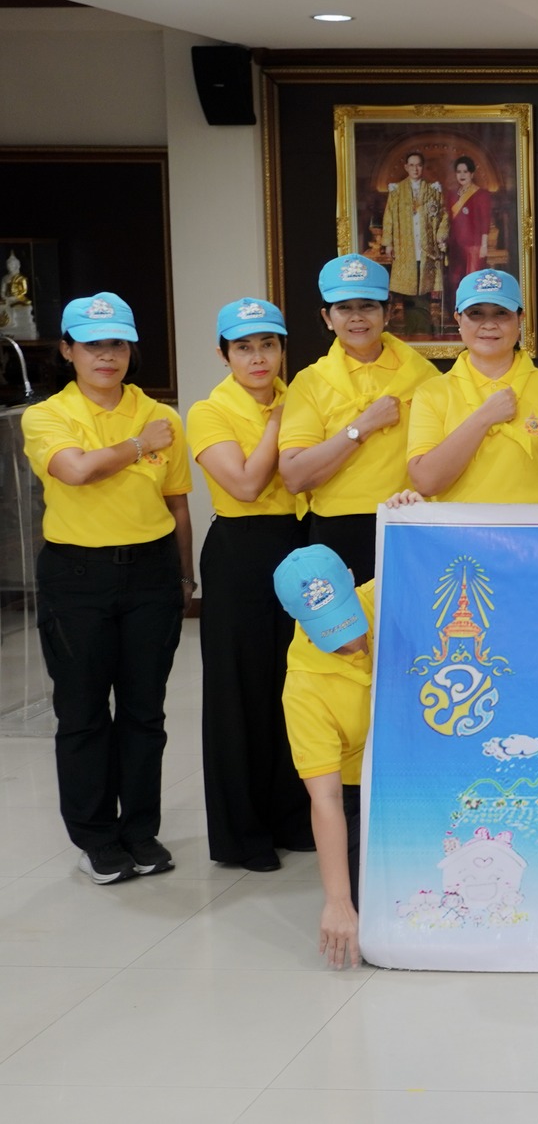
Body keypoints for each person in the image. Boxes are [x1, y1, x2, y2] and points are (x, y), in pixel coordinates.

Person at [22, 292, 195, 884]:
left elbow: (177, 502)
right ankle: (96, 839)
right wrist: (140, 445)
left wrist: (184, 573)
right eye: (93, 345)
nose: (107, 355)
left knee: (145, 712)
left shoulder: (162, 415)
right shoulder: (48, 415)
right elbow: (74, 470)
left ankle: (140, 832)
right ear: (67, 350)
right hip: (77, 578)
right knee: (84, 713)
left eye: (117, 343)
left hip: (151, 573)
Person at [188, 296, 311, 871]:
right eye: (243, 348)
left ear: (283, 349)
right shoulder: (209, 411)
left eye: (268, 345)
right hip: (240, 550)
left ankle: (292, 817)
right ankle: (242, 834)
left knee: (294, 684)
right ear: (224, 355)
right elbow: (244, 484)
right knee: (239, 693)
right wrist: (280, 424)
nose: (258, 358)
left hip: (298, 543)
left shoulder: (301, 396)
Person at [272, 512, 414, 971]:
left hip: (424, 764)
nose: (349, 640)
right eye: (328, 628)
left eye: (346, 617)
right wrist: (336, 901)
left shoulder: (383, 593)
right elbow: (327, 798)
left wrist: (414, 511)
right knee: (379, 914)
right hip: (362, 793)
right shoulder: (304, 689)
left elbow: (436, 554)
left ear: (354, 579)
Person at [279, 254, 439, 583]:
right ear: (327, 317)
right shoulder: (310, 382)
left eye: (367, 306)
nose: (357, 317)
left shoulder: (425, 377)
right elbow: (294, 477)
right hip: (336, 530)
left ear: (388, 312)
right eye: (344, 307)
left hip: (408, 522)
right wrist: (363, 426)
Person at [406, 269, 538, 504]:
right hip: (458, 528)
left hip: (535, 527)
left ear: (520, 319)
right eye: (476, 314)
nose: (489, 325)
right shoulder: (432, 393)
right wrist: (485, 417)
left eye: (501, 313)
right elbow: (426, 482)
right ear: (458, 319)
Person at [382, 150, 444, 315]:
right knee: (408, 286)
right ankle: (411, 324)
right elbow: (389, 217)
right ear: (406, 167)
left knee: (424, 284)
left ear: (423, 167)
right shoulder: (397, 191)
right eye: (411, 165)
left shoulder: (432, 190)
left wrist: (440, 237)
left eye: (418, 165)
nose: (415, 169)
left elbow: (443, 215)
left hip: (426, 246)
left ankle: (424, 324)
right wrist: (388, 243)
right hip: (405, 245)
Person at [443, 155, 493, 305]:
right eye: (459, 172)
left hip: (474, 246)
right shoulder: (452, 195)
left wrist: (484, 245)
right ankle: (458, 311)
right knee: (455, 281)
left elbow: (485, 221)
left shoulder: (481, 194)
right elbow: (448, 221)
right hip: (455, 246)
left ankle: (474, 311)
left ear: (472, 173)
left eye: (465, 171)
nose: (462, 175)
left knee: (473, 281)